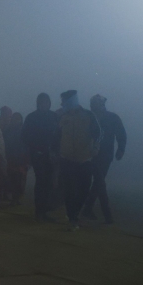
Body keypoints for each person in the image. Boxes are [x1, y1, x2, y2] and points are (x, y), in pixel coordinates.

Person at [56, 90, 101, 230]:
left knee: (84, 189)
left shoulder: (88, 116)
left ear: (71, 100)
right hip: (66, 159)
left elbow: (98, 134)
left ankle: (74, 213)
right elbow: (56, 136)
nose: (62, 103)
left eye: (63, 100)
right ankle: (72, 217)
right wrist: (55, 152)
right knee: (69, 190)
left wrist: (95, 149)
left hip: (84, 159)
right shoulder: (61, 117)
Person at [83, 94, 126, 223]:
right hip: (90, 154)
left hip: (105, 155)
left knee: (98, 182)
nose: (94, 106)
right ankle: (106, 214)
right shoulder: (88, 118)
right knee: (99, 182)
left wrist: (121, 149)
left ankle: (88, 208)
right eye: (93, 104)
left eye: (96, 104)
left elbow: (121, 134)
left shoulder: (112, 118)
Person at [22, 93, 60, 220]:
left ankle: (46, 208)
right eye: (42, 102)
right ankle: (40, 211)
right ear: (38, 103)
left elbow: (59, 135)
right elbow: (25, 137)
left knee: (50, 182)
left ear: (49, 103)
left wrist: (56, 151)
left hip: (52, 155)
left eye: (47, 102)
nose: (45, 104)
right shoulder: (31, 117)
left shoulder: (54, 116)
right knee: (41, 181)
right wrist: (31, 153)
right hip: (38, 155)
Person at [4, 112, 28, 205]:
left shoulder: (24, 131)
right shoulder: (7, 130)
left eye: (18, 118)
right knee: (12, 178)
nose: (16, 120)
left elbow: (27, 145)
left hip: (21, 159)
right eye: (15, 118)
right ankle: (12, 197)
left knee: (19, 179)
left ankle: (16, 198)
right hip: (11, 158)